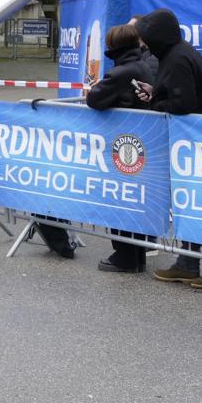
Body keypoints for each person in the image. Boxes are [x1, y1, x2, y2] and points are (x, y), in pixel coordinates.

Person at [133, 8, 202, 288]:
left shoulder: (176, 58)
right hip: (190, 139)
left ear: (156, 36)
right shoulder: (178, 52)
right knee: (189, 202)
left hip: (191, 141)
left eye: (146, 38)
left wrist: (157, 103)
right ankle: (189, 262)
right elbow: (179, 94)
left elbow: (183, 104)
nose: (143, 44)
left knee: (195, 202)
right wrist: (155, 92)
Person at [85, 23, 156, 272]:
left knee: (120, 199)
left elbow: (95, 99)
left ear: (112, 46)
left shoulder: (120, 73)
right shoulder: (143, 65)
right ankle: (135, 255)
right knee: (134, 200)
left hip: (124, 145)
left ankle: (125, 256)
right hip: (141, 142)